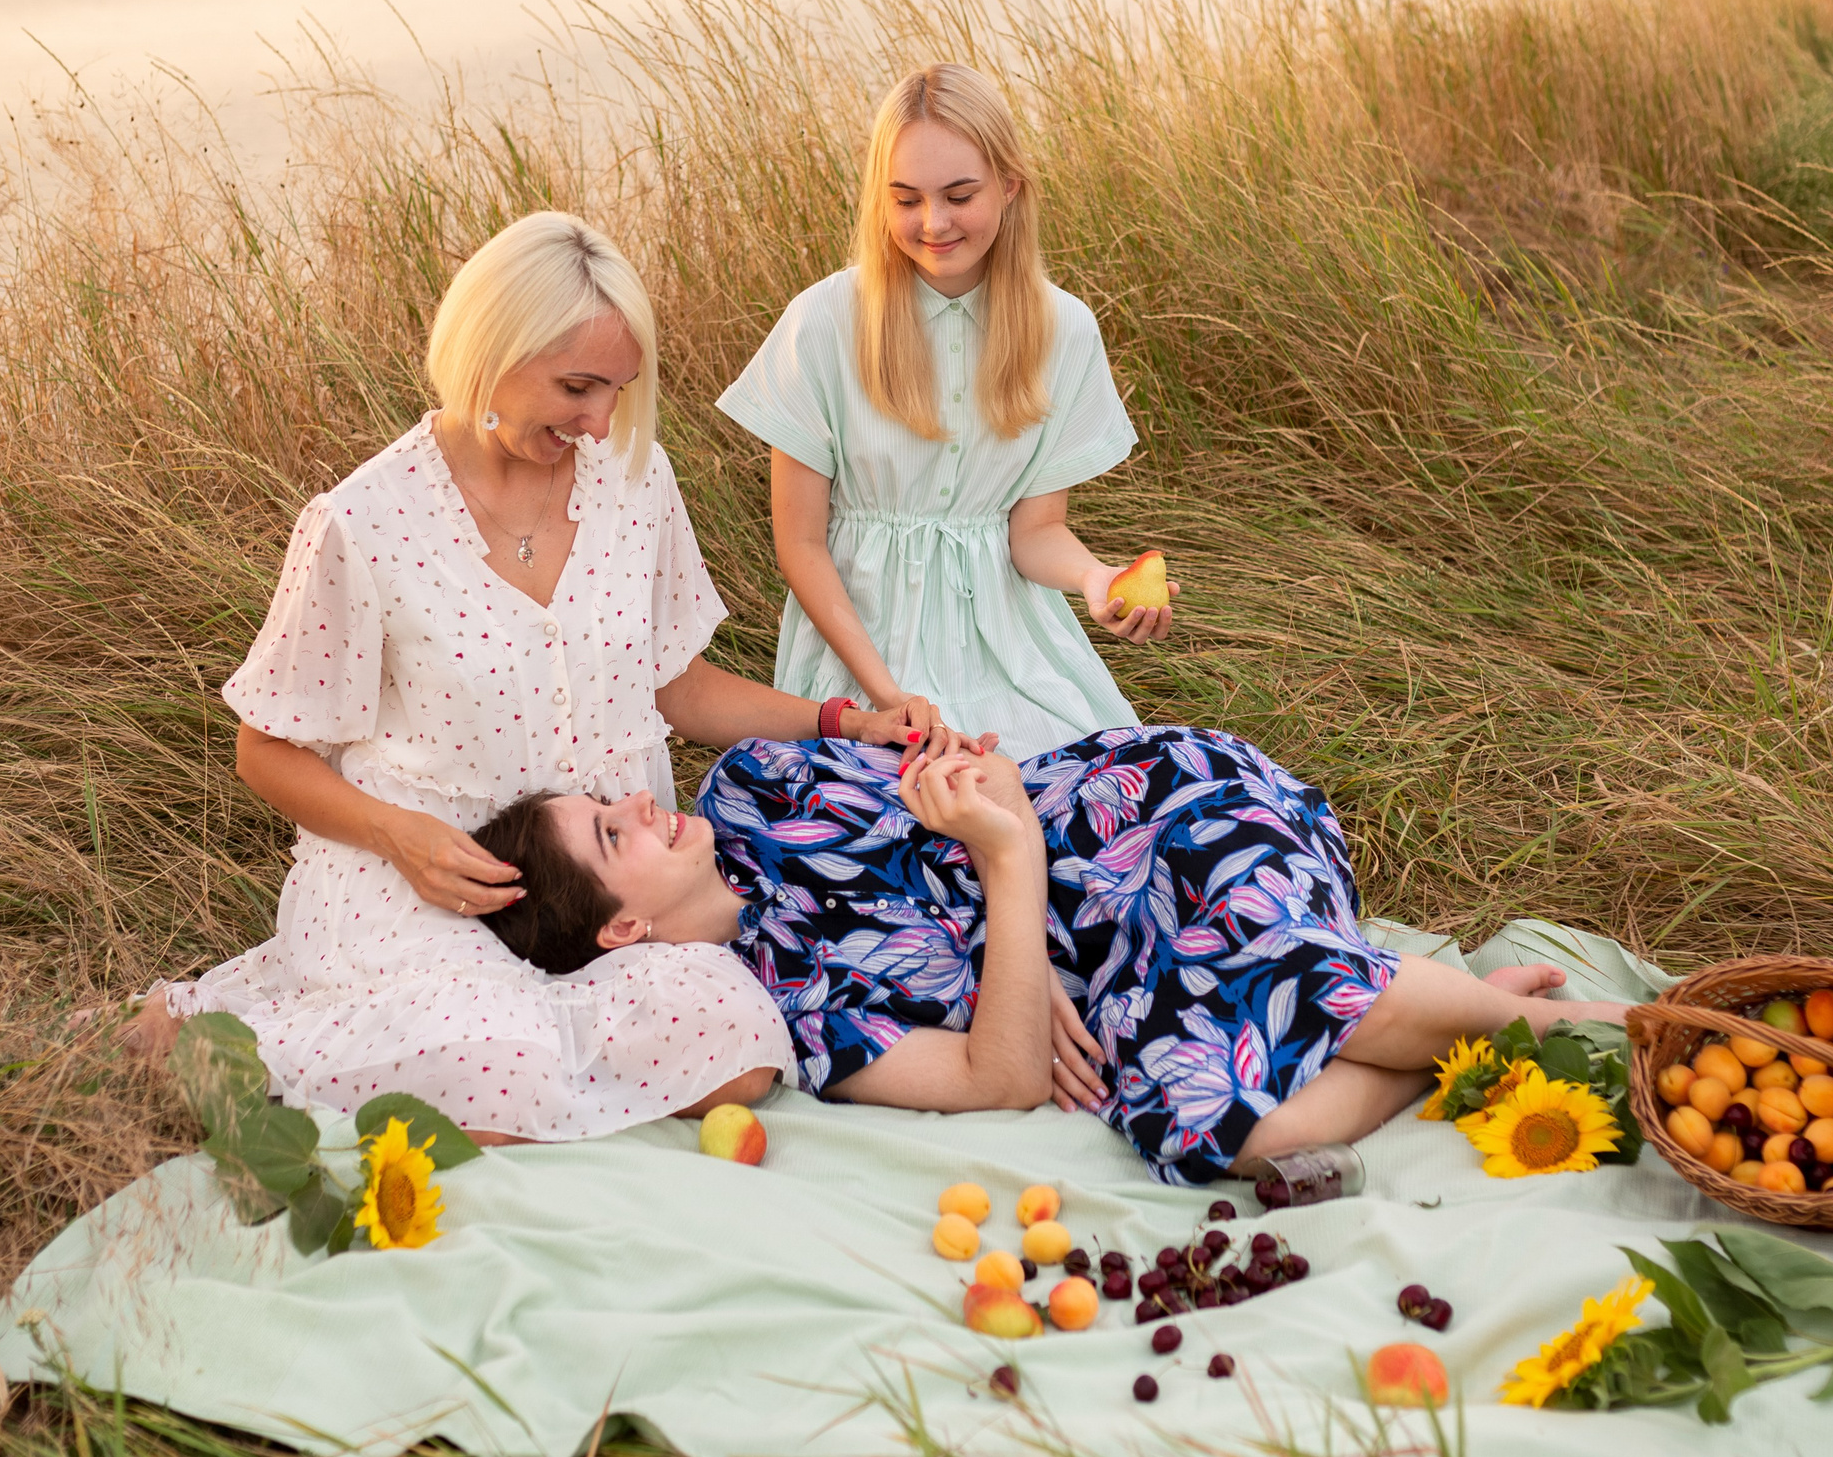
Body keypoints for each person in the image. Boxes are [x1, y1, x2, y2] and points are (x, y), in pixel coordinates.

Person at [124, 212, 938, 1144]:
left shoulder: (637, 480)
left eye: (618, 390)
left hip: (604, 896)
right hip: (419, 891)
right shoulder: (363, 523)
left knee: (739, 1039)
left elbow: (678, 687)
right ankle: (207, 1044)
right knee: (494, 1058)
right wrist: (402, 839)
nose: (599, 421)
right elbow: (266, 749)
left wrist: (838, 721)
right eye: (577, 387)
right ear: (490, 353)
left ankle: (488, 1069)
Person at [472, 727, 1627, 1183]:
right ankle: (1446, 1028)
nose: (640, 802)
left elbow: (982, 770)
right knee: (1219, 1132)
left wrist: (1006, 828)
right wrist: (1009, 891)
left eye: (613, 801)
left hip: (1145, 811)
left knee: (1252, 958)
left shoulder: (759, 787)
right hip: (1113, 948)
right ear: (622, 929)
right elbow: (1003, 1078)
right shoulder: (785, 1009)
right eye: (613, 834)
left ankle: (1600, 1039)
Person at [717, 62, 1175, 758]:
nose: (933, 222)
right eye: (905, 200)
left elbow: (1034, 531)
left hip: (1014, 644)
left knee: (1090, 801)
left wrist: (1096, 579)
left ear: (1010, 184)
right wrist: (888, 698)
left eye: (960, 194)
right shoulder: (821, 323)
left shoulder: (1065, 329)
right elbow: (801, 545)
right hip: (862, 651)